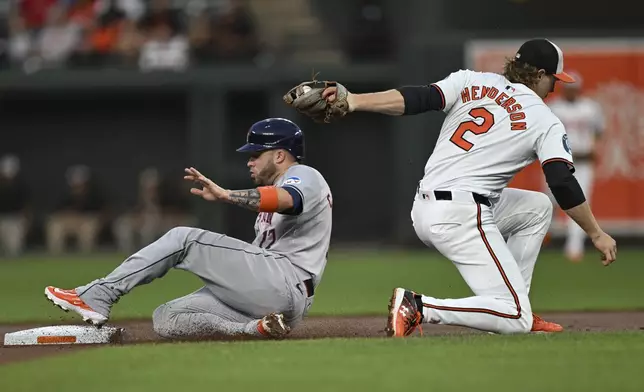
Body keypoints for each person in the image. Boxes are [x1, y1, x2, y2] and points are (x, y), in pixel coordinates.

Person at [317, 38, 617, 336]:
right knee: (515, 318)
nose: (554, 87)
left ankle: (514, 304)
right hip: (461, 213)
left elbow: (417, 98)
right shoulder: (545, 119)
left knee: (537, 208)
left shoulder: (471, 80)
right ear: (539, 75)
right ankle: (421, 307)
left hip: (425, 207)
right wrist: (595, 232)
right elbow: (562, 182)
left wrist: (354, 100)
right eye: (553, 79)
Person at [45, 118, 333, 340]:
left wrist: (226, 194)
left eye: (256, 154)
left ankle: (99, 294)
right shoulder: (278, 184)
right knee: (167, 317)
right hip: (273, 295)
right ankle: (254, 328)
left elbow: (290, 201)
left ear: (280, 155)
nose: (249, 160)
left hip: (286, 281)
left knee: (184, 238)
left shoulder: (303, 175)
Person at [547, 72, 605, 262]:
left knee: (581, 202)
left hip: (583, 163)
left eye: (574, 89)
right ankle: (545, 237)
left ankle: (574, 246)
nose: (571, 92)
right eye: (568, 89)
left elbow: (598, 132)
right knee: (551, 202)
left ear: (579, 89)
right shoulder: (554, 107)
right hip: (558, 162)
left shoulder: (590, 108)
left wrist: (593, 148)